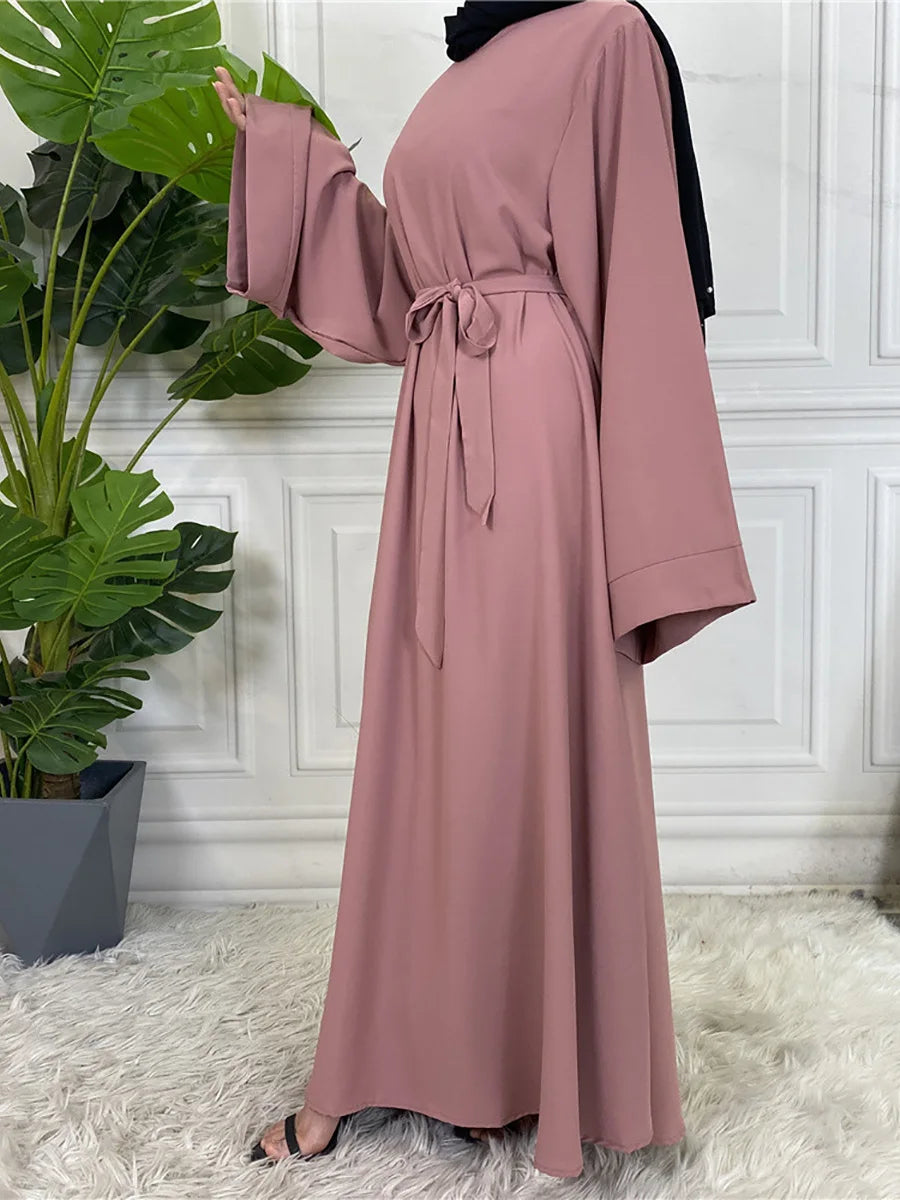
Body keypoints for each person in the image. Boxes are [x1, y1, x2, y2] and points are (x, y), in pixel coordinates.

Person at [215, 0, 756, 1179]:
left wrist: (649, 530)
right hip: (442, 423)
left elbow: (642, 274)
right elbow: (401, 290)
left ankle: (533, 1074)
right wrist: (288, 156)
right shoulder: (468, 66)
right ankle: (431, 1057)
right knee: (439, 753)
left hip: (533, 436)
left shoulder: (606, 33)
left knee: (519, 736)